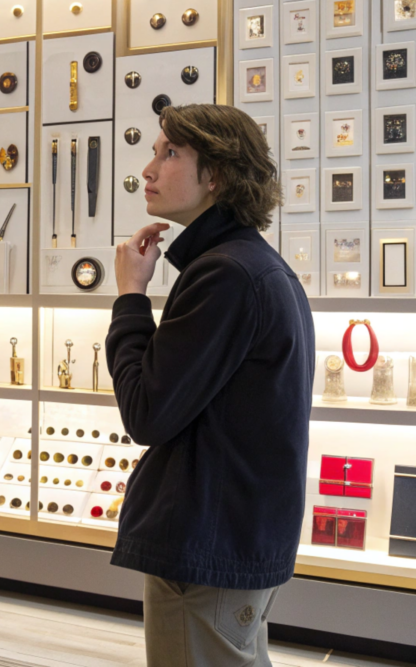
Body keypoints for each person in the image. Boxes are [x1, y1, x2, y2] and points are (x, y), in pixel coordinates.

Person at [105, 104, 315, 666]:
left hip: (208, 543)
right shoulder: (252, 265)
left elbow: (146, 410)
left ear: (216, 175)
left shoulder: (225, 273)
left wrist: (129, 297)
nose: (149, 170)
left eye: (169, 154)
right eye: (154, 152)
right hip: (234, 537)